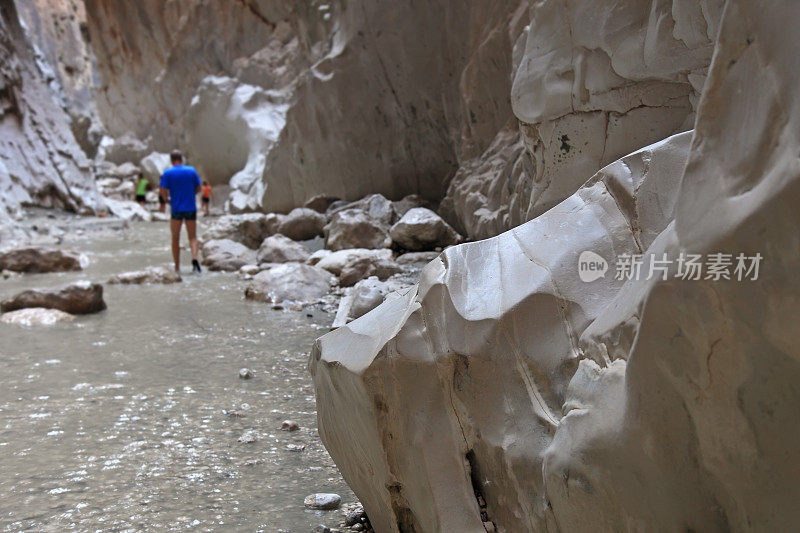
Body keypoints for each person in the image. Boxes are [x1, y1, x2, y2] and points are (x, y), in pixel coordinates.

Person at [159, 150, 202, 273]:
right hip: (190, 208)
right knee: (193, 237)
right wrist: (189, 195)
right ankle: (194, 259)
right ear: (181, 159)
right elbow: (198, 188)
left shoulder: (168, 173)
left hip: (176, 209)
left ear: (172, 160)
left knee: (175, 238)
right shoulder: (191, 170)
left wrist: (167, 200)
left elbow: (162, 190)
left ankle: (177, 266)